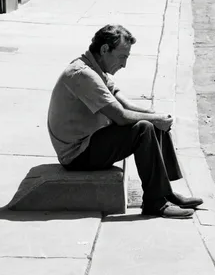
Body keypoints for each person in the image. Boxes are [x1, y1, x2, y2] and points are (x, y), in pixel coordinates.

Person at [47, 24, 203, 219]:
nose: (124, 64)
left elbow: (123, 102)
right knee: (144, 128)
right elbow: (120, 117)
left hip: (89, 143)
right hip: (76, 154)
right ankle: (155, 203)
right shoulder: (83, 75)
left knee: (152, 121)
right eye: (122, 57)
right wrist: (152, 119)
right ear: (105, 50)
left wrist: (155, 114)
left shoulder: (95, 68)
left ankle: (165, 192)